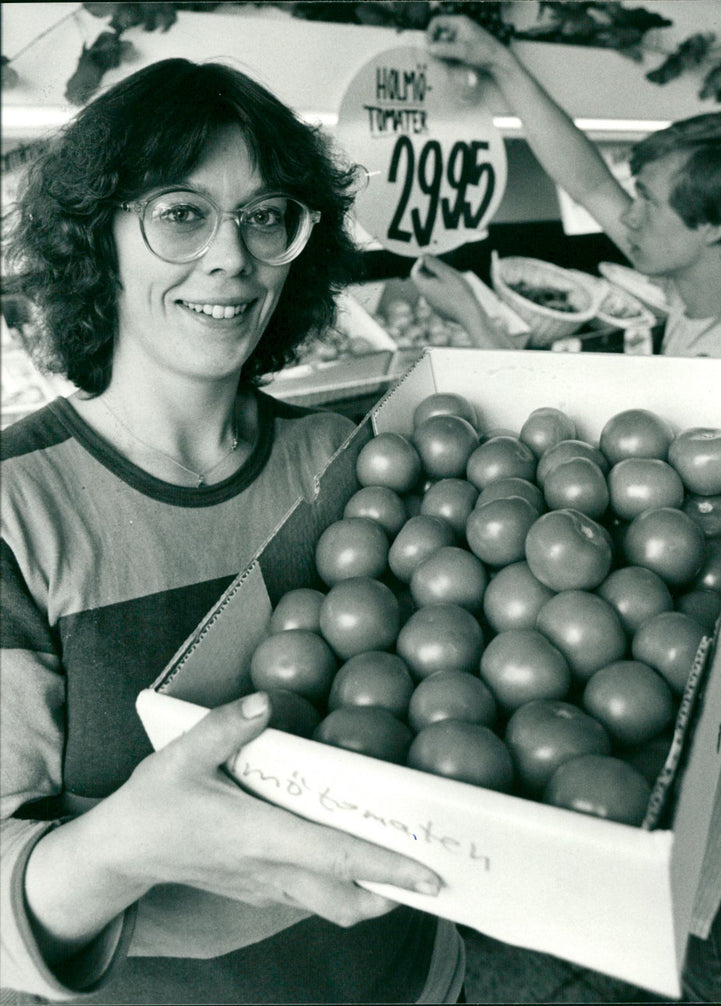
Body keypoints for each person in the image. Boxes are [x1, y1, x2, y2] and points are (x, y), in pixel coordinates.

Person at [0, 58, 466, 1004]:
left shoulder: (342, 459)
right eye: (181, 213)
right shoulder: (18, 512)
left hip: (408, 977)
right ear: (102, 241)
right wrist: (122, 846)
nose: (232, 256)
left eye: (266, 217)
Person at [421, 13, 721, 1004]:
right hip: (659, 630)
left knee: (704, 915)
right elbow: (586, 176)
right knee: (642, 885)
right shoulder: (695, 305)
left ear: (712, 227)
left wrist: (483, 333)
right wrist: (499, 64)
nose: (622, 211)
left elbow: (630, 486)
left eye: (649, 200)